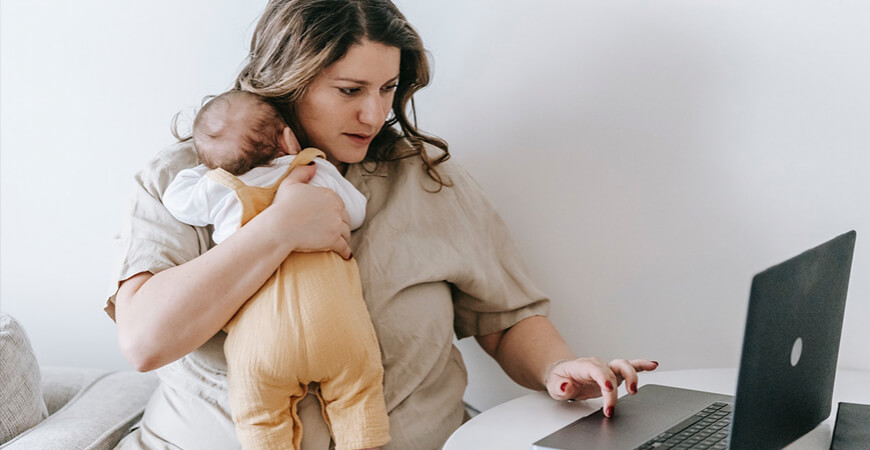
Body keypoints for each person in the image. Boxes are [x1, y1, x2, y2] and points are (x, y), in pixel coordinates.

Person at [106, 1, 658, 449]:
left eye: (387, 89)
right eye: (350, 91)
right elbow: (145, 341)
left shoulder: (426, 180)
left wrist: (559, 368)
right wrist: (278, 230)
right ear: (287, 81)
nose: (374, 114)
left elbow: (504, 318)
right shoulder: (186, 181)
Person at [161, 89, 389, 450]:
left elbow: (176, 200)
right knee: (358, 396)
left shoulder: (219, 188)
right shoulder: (312, 169)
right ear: (287, 136)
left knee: (259, 417)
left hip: (262, 343)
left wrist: (209, 168)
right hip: (336, 326)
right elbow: (355, 211)